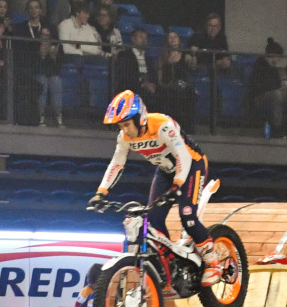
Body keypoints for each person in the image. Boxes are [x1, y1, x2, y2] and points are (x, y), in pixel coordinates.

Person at [89, 89, 212, 266]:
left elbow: (183, 156)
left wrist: (177, 184)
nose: (125, 130)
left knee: (187, 216)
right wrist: (101, 192)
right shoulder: (124, 138)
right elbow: (117, 163)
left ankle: (213, 262)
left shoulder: (162, 125)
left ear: (139, 118)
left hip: (193, 165)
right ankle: (171, 265)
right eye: (121, 126)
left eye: (127, 124)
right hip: (165, 170)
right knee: (153, 220)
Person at [248, 37, 284, 130]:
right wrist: (275, 89)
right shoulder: (259, 66)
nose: (278, 60)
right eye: (278, 57)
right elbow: (259, 86)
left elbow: (278, 84)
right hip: (259, 98)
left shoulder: (274, 69)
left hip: (273, 94)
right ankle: (277, 127)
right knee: (276, 95)